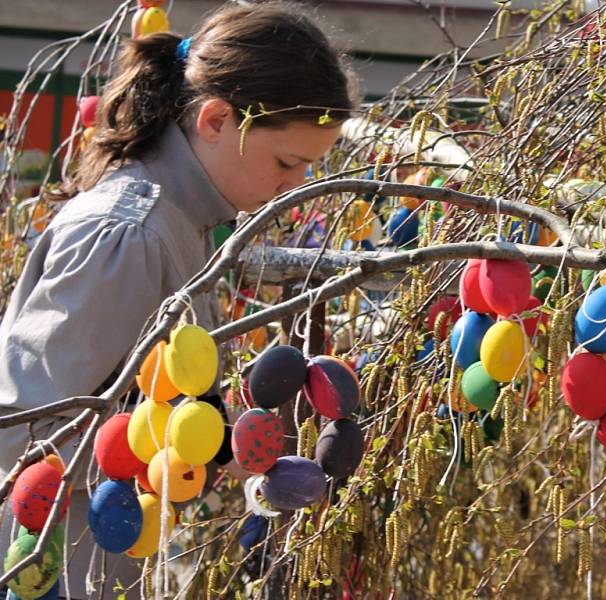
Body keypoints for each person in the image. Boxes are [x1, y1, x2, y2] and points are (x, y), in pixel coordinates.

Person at [0, 2, 355, 597]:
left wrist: (213, 437)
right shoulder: (135, 235)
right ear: (215, 120)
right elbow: (28, 430)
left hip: (92, 552)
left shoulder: (180, 223)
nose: (295, 186)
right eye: (287, 162)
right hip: (44, 564)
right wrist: (207, 446)